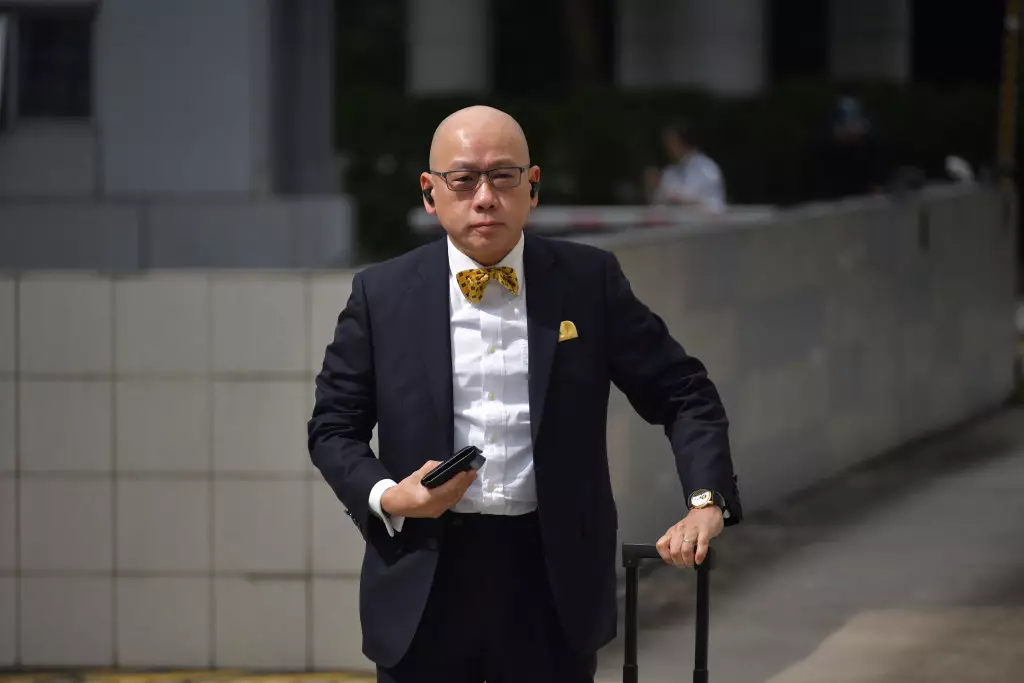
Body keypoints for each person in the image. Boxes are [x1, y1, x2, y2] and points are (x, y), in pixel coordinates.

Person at [307, 105, 743, 683]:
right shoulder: (380, 294)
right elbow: (333, 427)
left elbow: (683, 392)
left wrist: (706, 501)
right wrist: (390, 496)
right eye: (464, 179)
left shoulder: (588, 282)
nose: (485, 198)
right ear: (430, 193)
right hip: (424, 582)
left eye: (503, 176)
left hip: (551, 584)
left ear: (532, 187)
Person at [644, 120, 727, 212]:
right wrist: (653, 188)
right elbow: (660, 202)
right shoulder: (670, 171)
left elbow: (713, 203)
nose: (667, 147)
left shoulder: (707, 168)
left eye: (671, 142)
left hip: (705, 220)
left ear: (684, 142)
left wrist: (677, 196)